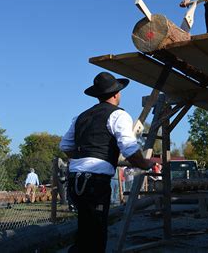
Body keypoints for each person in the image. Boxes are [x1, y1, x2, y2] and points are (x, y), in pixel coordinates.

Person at [60, 71, 154, 253]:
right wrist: (145, 164)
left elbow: (65, 145)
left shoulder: (80, 117)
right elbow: (129, 148)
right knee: (96, 235)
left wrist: (82, 158)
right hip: (96, 181)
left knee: (85, 230)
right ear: (116, 94)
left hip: (75, 179)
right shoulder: (119, 115)